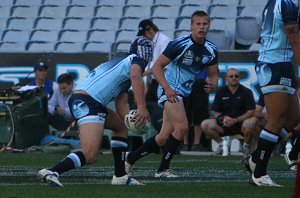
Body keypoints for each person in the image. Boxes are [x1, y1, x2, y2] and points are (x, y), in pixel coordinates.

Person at [37, 33, 153, 186]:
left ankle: (120, 176)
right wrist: (142, 108)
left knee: (121, 127)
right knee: (90, 155)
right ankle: (52, 171)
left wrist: (132, 120)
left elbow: (121, 105)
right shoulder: (134, 62)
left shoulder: (123, 65)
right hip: (87, 102)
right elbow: (136, 76)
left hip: (90, 101)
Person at [125, 10, 219, 177]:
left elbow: (213, 73)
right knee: (182, 127)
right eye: (198, 24)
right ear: (192, 26)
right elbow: (156, 67)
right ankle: (162, 170)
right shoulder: (180, 44)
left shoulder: (211, 49)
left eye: (205, 24)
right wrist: (167, 88)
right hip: (170, 89)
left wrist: (213, 85)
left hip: (184, 91)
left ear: (209, 26)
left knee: (162, 138)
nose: (201, 27)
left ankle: (130, 158)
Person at [242, 0, 300, 188]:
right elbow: (294, 38)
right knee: (276, 120)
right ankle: (259, 174)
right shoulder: (287, 3)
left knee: (293, 120)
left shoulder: (278, 2)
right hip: (275, 63)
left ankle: (256, 158)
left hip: (282, 63)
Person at [201, 68, 256, 156]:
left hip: (241, 124)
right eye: (231, 76)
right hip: (225, 125)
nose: (234, 78)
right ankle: (222, 145)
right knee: (205, 124)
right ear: (226, 78)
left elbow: (251, 111)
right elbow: (216, 112)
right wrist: (223, 119)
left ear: (239, 77)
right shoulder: (220, 91)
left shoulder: (247, 92)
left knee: (252, 121)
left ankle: (246, 147)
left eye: (236, 76)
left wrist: (236, 120)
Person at [138, 19, 171, 131]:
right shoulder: (155, 42)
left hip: (164, 81)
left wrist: (144, 73)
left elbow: (166, 64)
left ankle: (162, 131)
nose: (144, 37)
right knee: (149, 105)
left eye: (144, 34)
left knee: (156, 108)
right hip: (156, 80)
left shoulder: (164, 41)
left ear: (150, 30)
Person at [181, 69, 211, 152]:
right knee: (184, 113)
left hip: (201, 81)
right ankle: (185, 143)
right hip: (185, 80)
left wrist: (210, 81)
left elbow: (213, 70)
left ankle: (196, 144)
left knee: (199, 113)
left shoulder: (209, 55)